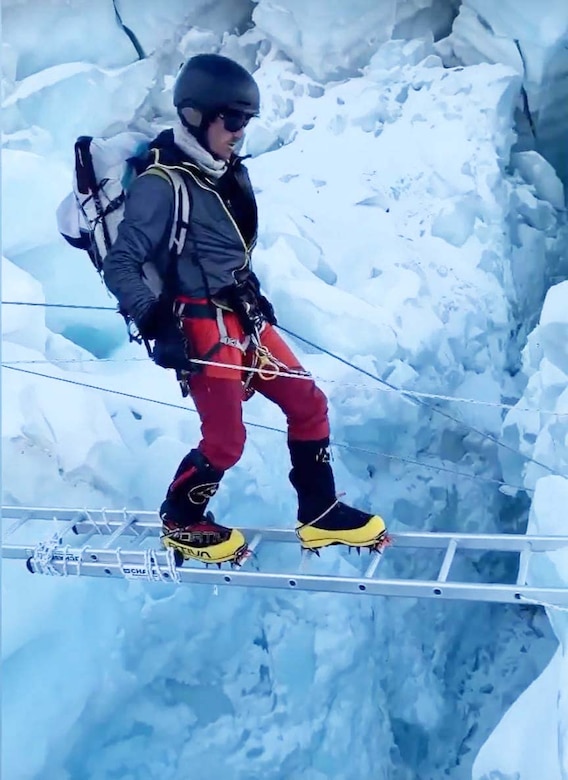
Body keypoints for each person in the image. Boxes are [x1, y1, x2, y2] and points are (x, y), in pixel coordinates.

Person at [103, 53, 387, 565]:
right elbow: (121, 264)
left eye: (245, 121)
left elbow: (223, 250)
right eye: (231, 120)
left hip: (242, 317)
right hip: (199, 326)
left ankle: (319, 512)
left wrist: (252, 291)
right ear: (196, 115)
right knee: (226, 440)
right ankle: (181, 519)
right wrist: (154, 320)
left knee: (308, 404)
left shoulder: (225, 173)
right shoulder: (161, 185)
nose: (240, 132)